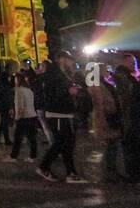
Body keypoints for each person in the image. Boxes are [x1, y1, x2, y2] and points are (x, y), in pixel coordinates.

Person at [37, 51, 85, 183]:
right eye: (69, 60)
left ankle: (71, 172)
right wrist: (68, 91)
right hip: (57, 114)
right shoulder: (53, 75)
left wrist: (73, 91)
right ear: (62, 59)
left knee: (67, 144)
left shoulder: (64, 74)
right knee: (60, 143)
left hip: (65, 113)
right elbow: (51, 93)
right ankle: (44, 167)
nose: (72, 62)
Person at [115, 65, 140, 183]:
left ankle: (134, 175)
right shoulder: (134, 85)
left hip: (133, 122)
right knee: (133, 150)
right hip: (132, 122)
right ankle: (135, 174)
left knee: (132, 150)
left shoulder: (131, 86)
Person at [8, 72, 40, 162]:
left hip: (23, 117)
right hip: (32, 115)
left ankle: (13, 157)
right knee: (32, 138)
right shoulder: (29, 90)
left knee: (17, 138)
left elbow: (20, 106)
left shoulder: (19, 90)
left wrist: (17, 117)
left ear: (18, 80)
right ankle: (33, 156)